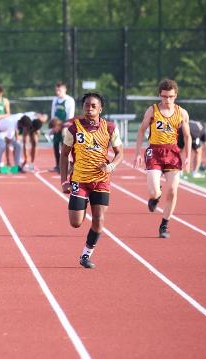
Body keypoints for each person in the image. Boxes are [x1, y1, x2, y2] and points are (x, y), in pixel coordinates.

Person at [60, 92, 123, 269]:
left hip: (101, 180)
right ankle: (79, 202)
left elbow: (120, 153)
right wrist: (64, 181)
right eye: (87, 105)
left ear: (100, 109)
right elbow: (64, 155)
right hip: (80, 179)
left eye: (93, 106)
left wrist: (111, 167)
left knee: (99, 220)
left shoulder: (110, 128)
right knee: (75, 222)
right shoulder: (74, 128)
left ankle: (86, 255)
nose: (90, 108)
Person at [134, 79, 191, 238]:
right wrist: (138, 152)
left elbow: (187, 136)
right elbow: (141, 131)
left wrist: (187, 156)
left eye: (171, 97)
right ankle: (155, 197)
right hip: (155, 152)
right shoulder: (152, 110)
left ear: (176, 95)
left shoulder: (182, 113)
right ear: (160, 95)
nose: (167, 100)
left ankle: (164, 225)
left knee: (173, 191)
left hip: (172, 153)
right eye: (165, 97)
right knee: (153, 192)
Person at [50, 82, 76, 172]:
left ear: (65, 89)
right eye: (56, 90)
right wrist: (53, 127)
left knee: (64, 146)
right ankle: (57, 165)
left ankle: (66, 166)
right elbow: (53, 114)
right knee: (55, 144)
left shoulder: (70, 100)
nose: (58, 92)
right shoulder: (55, 100)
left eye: (59, 90)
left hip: (65, 126)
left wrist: (61, 126)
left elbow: (70, 117)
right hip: (56, 127)